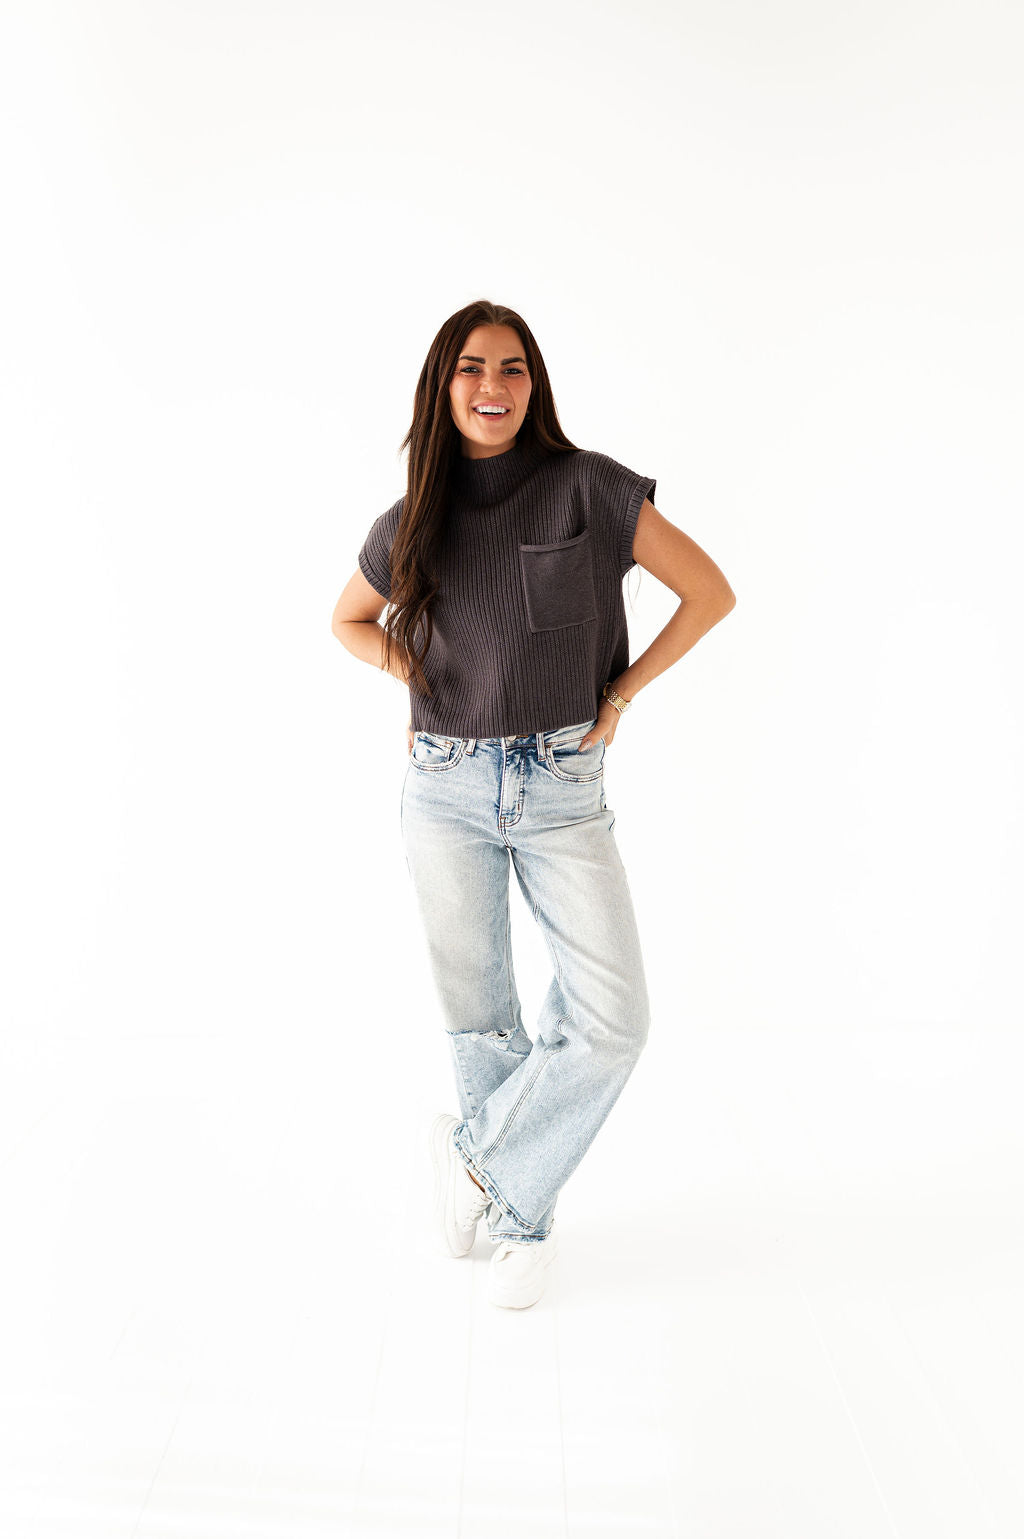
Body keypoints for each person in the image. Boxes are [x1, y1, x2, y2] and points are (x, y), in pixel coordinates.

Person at [331, 300, 736, 1309]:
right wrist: (418, 673)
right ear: (444, 385)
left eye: (512, 368)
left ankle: (473, 1164)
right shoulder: (412, 517)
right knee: (482, 1021)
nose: (493, 386)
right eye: (472, 367)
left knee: (613, 1019)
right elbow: (348, 620)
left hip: (560, 782)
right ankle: (521, 1222)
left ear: (534, 384)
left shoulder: (587, 487)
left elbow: (710, 591)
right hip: (443, 784)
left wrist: (619, 696)